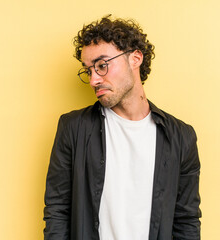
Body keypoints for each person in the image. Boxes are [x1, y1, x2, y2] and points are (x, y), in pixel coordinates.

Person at [43, 15, 201, 240]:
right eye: (88, 70)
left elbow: (186, 220)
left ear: (135, 58)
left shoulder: (180, 137)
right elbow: (58, 210)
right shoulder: (73, 128)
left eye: (102, 65)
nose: (93, 80)